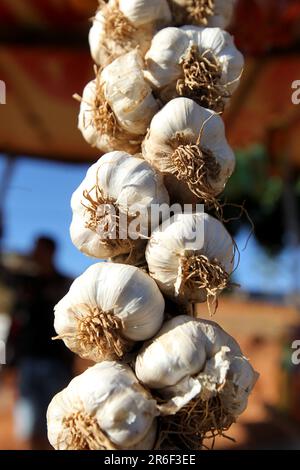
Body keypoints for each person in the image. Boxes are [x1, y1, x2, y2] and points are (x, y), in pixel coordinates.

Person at [3, 236, 74, 449]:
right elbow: (15, 325)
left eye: (38, 249)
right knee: (29, 427)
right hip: (28, 363)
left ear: (50, 252)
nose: (34, 253)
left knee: (58, 425)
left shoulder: (64, 285)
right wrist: (8, 360)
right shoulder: (25, 285)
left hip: (57, 365)